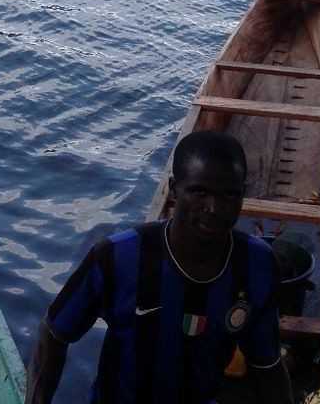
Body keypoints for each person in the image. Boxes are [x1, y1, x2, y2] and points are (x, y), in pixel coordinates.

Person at [27, 130, 294, 404]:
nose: (214, 207)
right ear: (174, 189)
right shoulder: (117, 257)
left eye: (229, 195)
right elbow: (54, 332)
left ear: (243, 194)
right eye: (199, 191)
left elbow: (267, 364)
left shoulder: (257, 264)